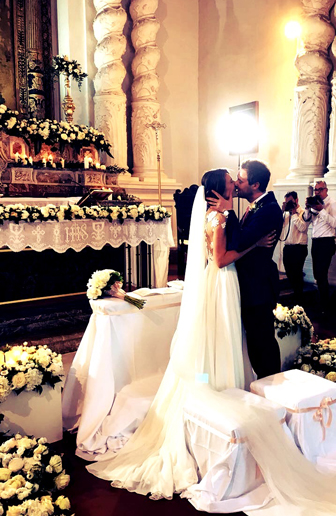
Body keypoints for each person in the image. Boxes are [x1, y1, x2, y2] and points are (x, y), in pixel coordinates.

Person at [87, 169, 274, 499]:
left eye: (237, 179)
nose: (235, 182)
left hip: (227, 285)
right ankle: (213, 384)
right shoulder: (218, 218)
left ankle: (221, 382)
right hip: (222, 281)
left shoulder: (224, 214)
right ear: (222, 189)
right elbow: (219, 259)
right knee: (220, 335)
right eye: (231, 180)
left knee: (224, 336)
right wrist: (254, 244)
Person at [207, 159, 283, 379]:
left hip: (258, 286)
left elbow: (240, 242)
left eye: (241, 180)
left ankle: (272, 384)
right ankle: (262, 383)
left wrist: (229, 212)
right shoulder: (255, 206)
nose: (237, 184)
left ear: (256, 185)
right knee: (254, 339)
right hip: (248, 283)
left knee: (263, 341)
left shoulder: (269, 210)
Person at [302, 180, 336, 314]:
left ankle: (325, 307)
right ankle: (322, 304)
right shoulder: (314, 203)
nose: (317, 192)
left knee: (322, 274)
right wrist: (308, 207)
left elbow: (335, 223)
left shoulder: (333, 203)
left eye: (319, 189)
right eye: (315, 189)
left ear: (326, 190)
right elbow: (306, 219)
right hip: (316, 241)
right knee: (317, 274)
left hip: (327, 242)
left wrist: (322, 211)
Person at [280, 191, 310, 305]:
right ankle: (295, 295)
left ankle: (299, 299)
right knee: (289, 272)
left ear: (296, 200)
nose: (289, 204)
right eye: (287, 202)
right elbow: (278, 225)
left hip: (299, 248)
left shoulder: (303, 213)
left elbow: (303, 227)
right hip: (287, 247)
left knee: (297, 273)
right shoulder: (286, 214)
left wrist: (294, 214)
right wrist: (282, 211)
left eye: (290, 202)